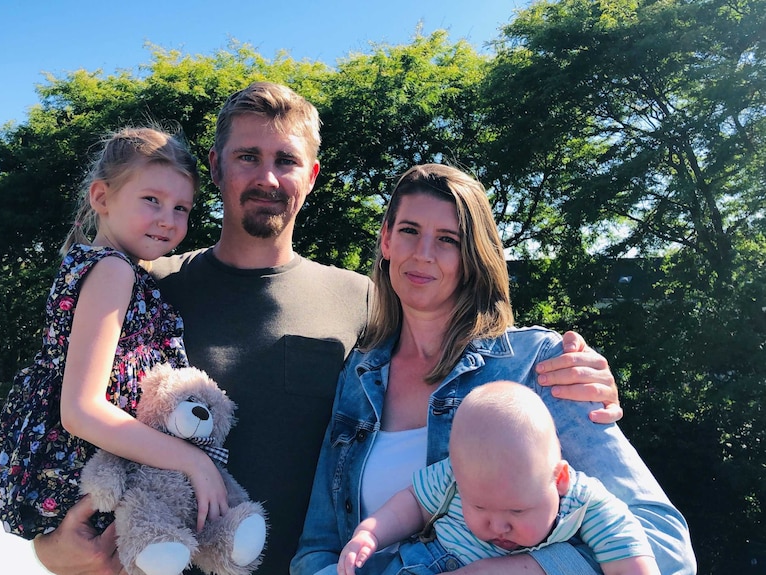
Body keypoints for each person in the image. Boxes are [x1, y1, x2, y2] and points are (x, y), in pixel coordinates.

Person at [32, 83, 622, 575]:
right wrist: (52, 548)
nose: (268, 177)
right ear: (214, 167)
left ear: (311, 175)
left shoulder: (367, 302)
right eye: (247, 157)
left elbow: (469, 378)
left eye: (286, 161)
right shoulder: (141, 288)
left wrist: (577, 381)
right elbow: (56, 422)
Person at [291, 163, 696, 575]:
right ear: (387, 240)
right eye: (410, 231)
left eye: (448, 240)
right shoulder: (358, 376)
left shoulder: (539, 363)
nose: (423, 254)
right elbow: (317, 550)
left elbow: (664, 542)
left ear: (472, 258)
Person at [0, 127, 231, 541]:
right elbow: (82, 411)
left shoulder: (113, 267)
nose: (167, 219)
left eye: (181, 208)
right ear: (101, 198)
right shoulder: (113, 270)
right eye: (151, 200)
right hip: (85, 468)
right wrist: (195, 462)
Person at [338, 381, 660, 575]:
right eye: (478, 507)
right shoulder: (454, 476)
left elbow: (629, 556)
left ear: (559, 479)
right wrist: (371, 533)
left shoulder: (586, 504)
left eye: (517, 511)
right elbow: (411, 504)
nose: (498, 527)